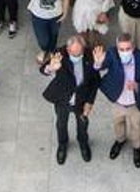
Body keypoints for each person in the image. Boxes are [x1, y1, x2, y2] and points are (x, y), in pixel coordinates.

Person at [94, 33, 140, 168]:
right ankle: (120, 140)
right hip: (118, 101)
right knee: (118, 123)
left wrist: (138, 86)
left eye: (127, 49)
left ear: (133, 47)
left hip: (135, 103)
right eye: (121, 49)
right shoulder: (112, 54)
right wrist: (98, 63)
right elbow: (102, 65)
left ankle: (137, 147)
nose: (124, 52)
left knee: (136, 126)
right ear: (117, 48)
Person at [40, 35, 100, 165]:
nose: (76, 56)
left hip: (82, 99)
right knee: (61, 124)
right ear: (68, 49)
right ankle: (62, 144)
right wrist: (51, 68)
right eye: (73, 53)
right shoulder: (59, 53)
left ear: (83, 49)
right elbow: (43, 69)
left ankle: (83, 143)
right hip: (62, 97)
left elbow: (95, 82)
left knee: (83, 124)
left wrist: (90, 102)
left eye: (79, 53)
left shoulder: (90, 55)